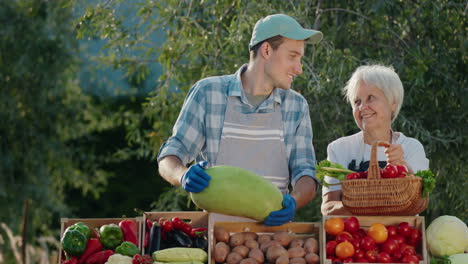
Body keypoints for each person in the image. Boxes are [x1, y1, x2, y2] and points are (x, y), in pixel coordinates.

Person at [157, 14, 323, 226]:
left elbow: (306, 172)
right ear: (266, 50)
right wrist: (182, 175)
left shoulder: (296, 106)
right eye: (293, 56)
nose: (299, 69)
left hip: (274, 238)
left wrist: (294, 200)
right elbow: (170, 156)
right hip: (216, 237)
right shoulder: (208, 93)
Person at [321, 64, 430, 215]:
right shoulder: (339, 149)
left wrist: (403, 166)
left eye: (370, 98)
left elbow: (419, 201)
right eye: (357, 102)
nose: (362, 107)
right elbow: (328, 208)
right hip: (352, 237)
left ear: (393, 102)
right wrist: (366, 205)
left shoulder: (411, 147)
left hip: (399, 236)